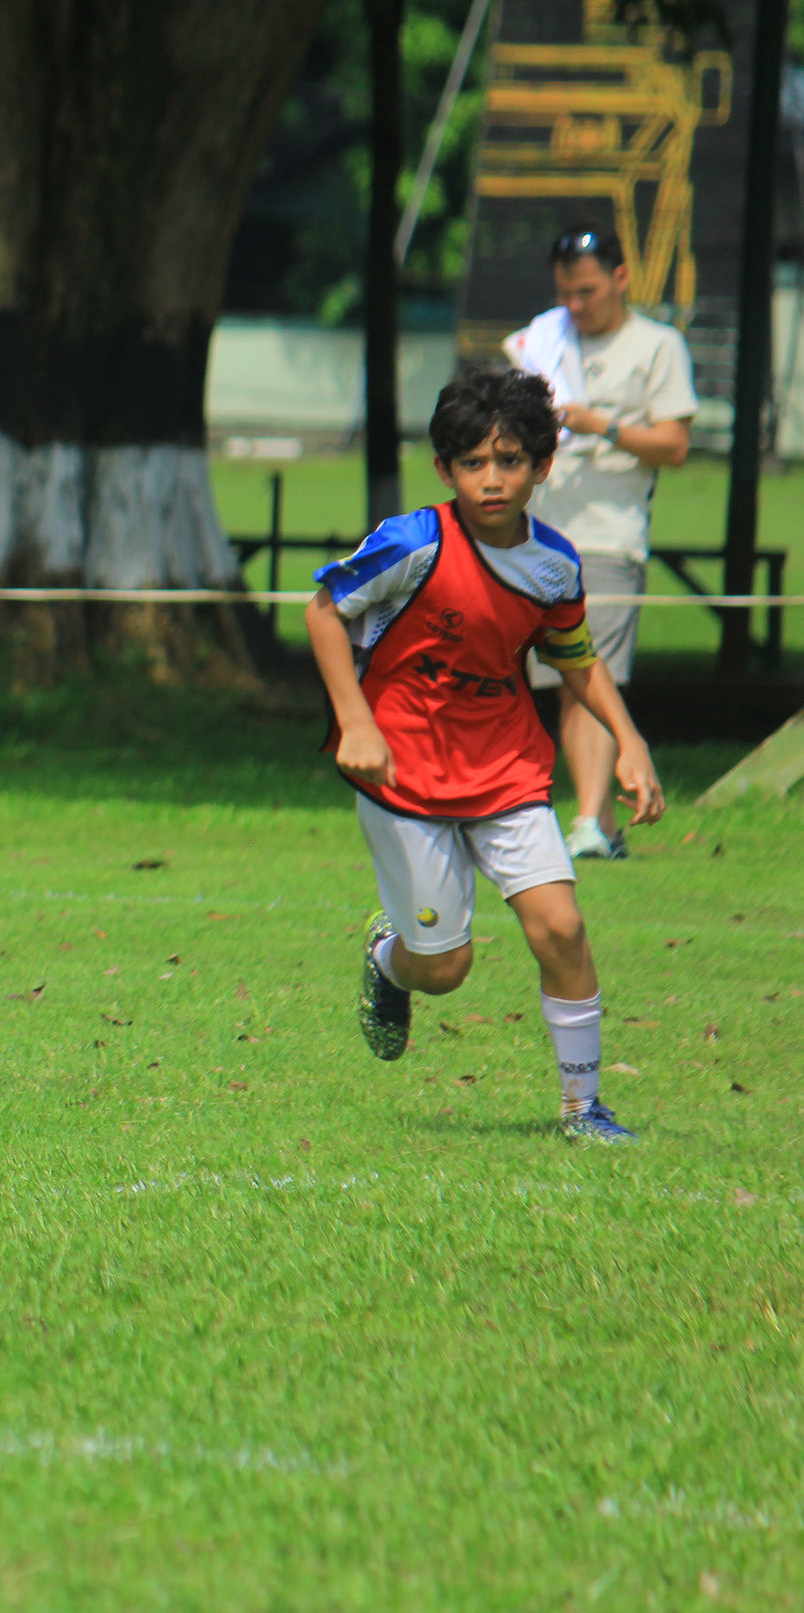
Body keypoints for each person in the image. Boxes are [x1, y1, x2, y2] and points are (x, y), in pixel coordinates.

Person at [306, 367, 665, 1145]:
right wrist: (355, 721)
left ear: (542, 464)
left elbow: (574, 657)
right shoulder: (413, 542)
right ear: (444, 470)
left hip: (505, 766)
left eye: (509, 461)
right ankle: (388, 958)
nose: (491, 479)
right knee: (445, 969)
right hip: (401, 770)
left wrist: (629, 739)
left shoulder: (554, 563)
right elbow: (324, 610)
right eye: (471, 463)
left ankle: (582, 1109)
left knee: (560, 927)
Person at [504, 226, 696, 861]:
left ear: (621, 278)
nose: (576, 305)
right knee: (565, 677)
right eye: (566, 293)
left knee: (590, 670)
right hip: (540, 535)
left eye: (587, 292)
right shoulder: (542, 341)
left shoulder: (657, 345)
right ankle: (602, 824)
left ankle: (588, 819)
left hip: (610, 536)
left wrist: (600, 425)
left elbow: (674, 445)